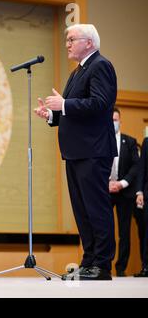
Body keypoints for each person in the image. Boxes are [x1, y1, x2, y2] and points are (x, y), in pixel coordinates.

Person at [34, 24, 117, 280]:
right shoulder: (77, 72)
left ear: (89, 43)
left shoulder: (100, 66)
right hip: (76, 151)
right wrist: (53, 115)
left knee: (96, 208)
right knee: (82, 210)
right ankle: (89, 261)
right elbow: (75, 112)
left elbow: (101, 104)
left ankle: (102, 265)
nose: (67, 44)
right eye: (67, 40)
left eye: (72, 39)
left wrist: (65, 104)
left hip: (93, 150)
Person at [108, 108, 140, 277]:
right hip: (105, 191)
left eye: (115, 119)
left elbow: (136, 166)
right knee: (104, 229)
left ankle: (121, 269)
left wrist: (121, 183)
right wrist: (107, 183)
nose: (114, 122)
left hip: (125, 192)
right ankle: (103, 264)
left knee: (124, 232)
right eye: (111, 120)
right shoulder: (101, 140)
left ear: (120, 121)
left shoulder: (130, 142)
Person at [134, 138, 148, 277]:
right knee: (146, 232)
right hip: (147, 194)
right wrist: (139, 192)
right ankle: (146, 266)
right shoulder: (147, 142)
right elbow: (142, 168)